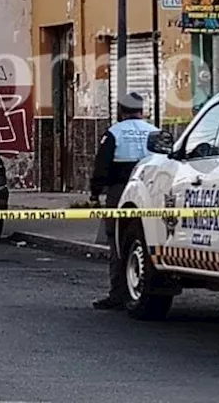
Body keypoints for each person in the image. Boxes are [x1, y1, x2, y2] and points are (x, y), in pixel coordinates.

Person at [89, 92, 159, 310]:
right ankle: (144, 289)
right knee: (150, 241)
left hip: (120, 193)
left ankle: (118, 293)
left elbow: (102, 165)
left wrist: (95, 192)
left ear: (120, 111)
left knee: (118, 242)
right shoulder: (155, 132)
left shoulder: (114, 133)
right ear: (142, 110)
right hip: (152, 191)